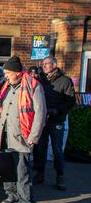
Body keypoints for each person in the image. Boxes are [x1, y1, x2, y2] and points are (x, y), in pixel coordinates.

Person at [0, 56, 46, 203]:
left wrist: (34, 136)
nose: (5, 76)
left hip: (22, 136)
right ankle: (12, 195)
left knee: (22, 171)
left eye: (8, 73)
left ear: (17, 72)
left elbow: (40, 112)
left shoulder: (33, 86)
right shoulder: (6, 86)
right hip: (4, 135)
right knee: (6, 168)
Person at [33, 57, 76, 190]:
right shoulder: (41, 80)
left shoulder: (65, 81)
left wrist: (57, 110)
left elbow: (70, 101)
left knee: (57, 149)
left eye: (47, 64)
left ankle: (60, 176)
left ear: (54, 65)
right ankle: (40, 173)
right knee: (40, 148)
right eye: (43, 64)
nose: (44, 66)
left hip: (56, 120)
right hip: (42, 120)